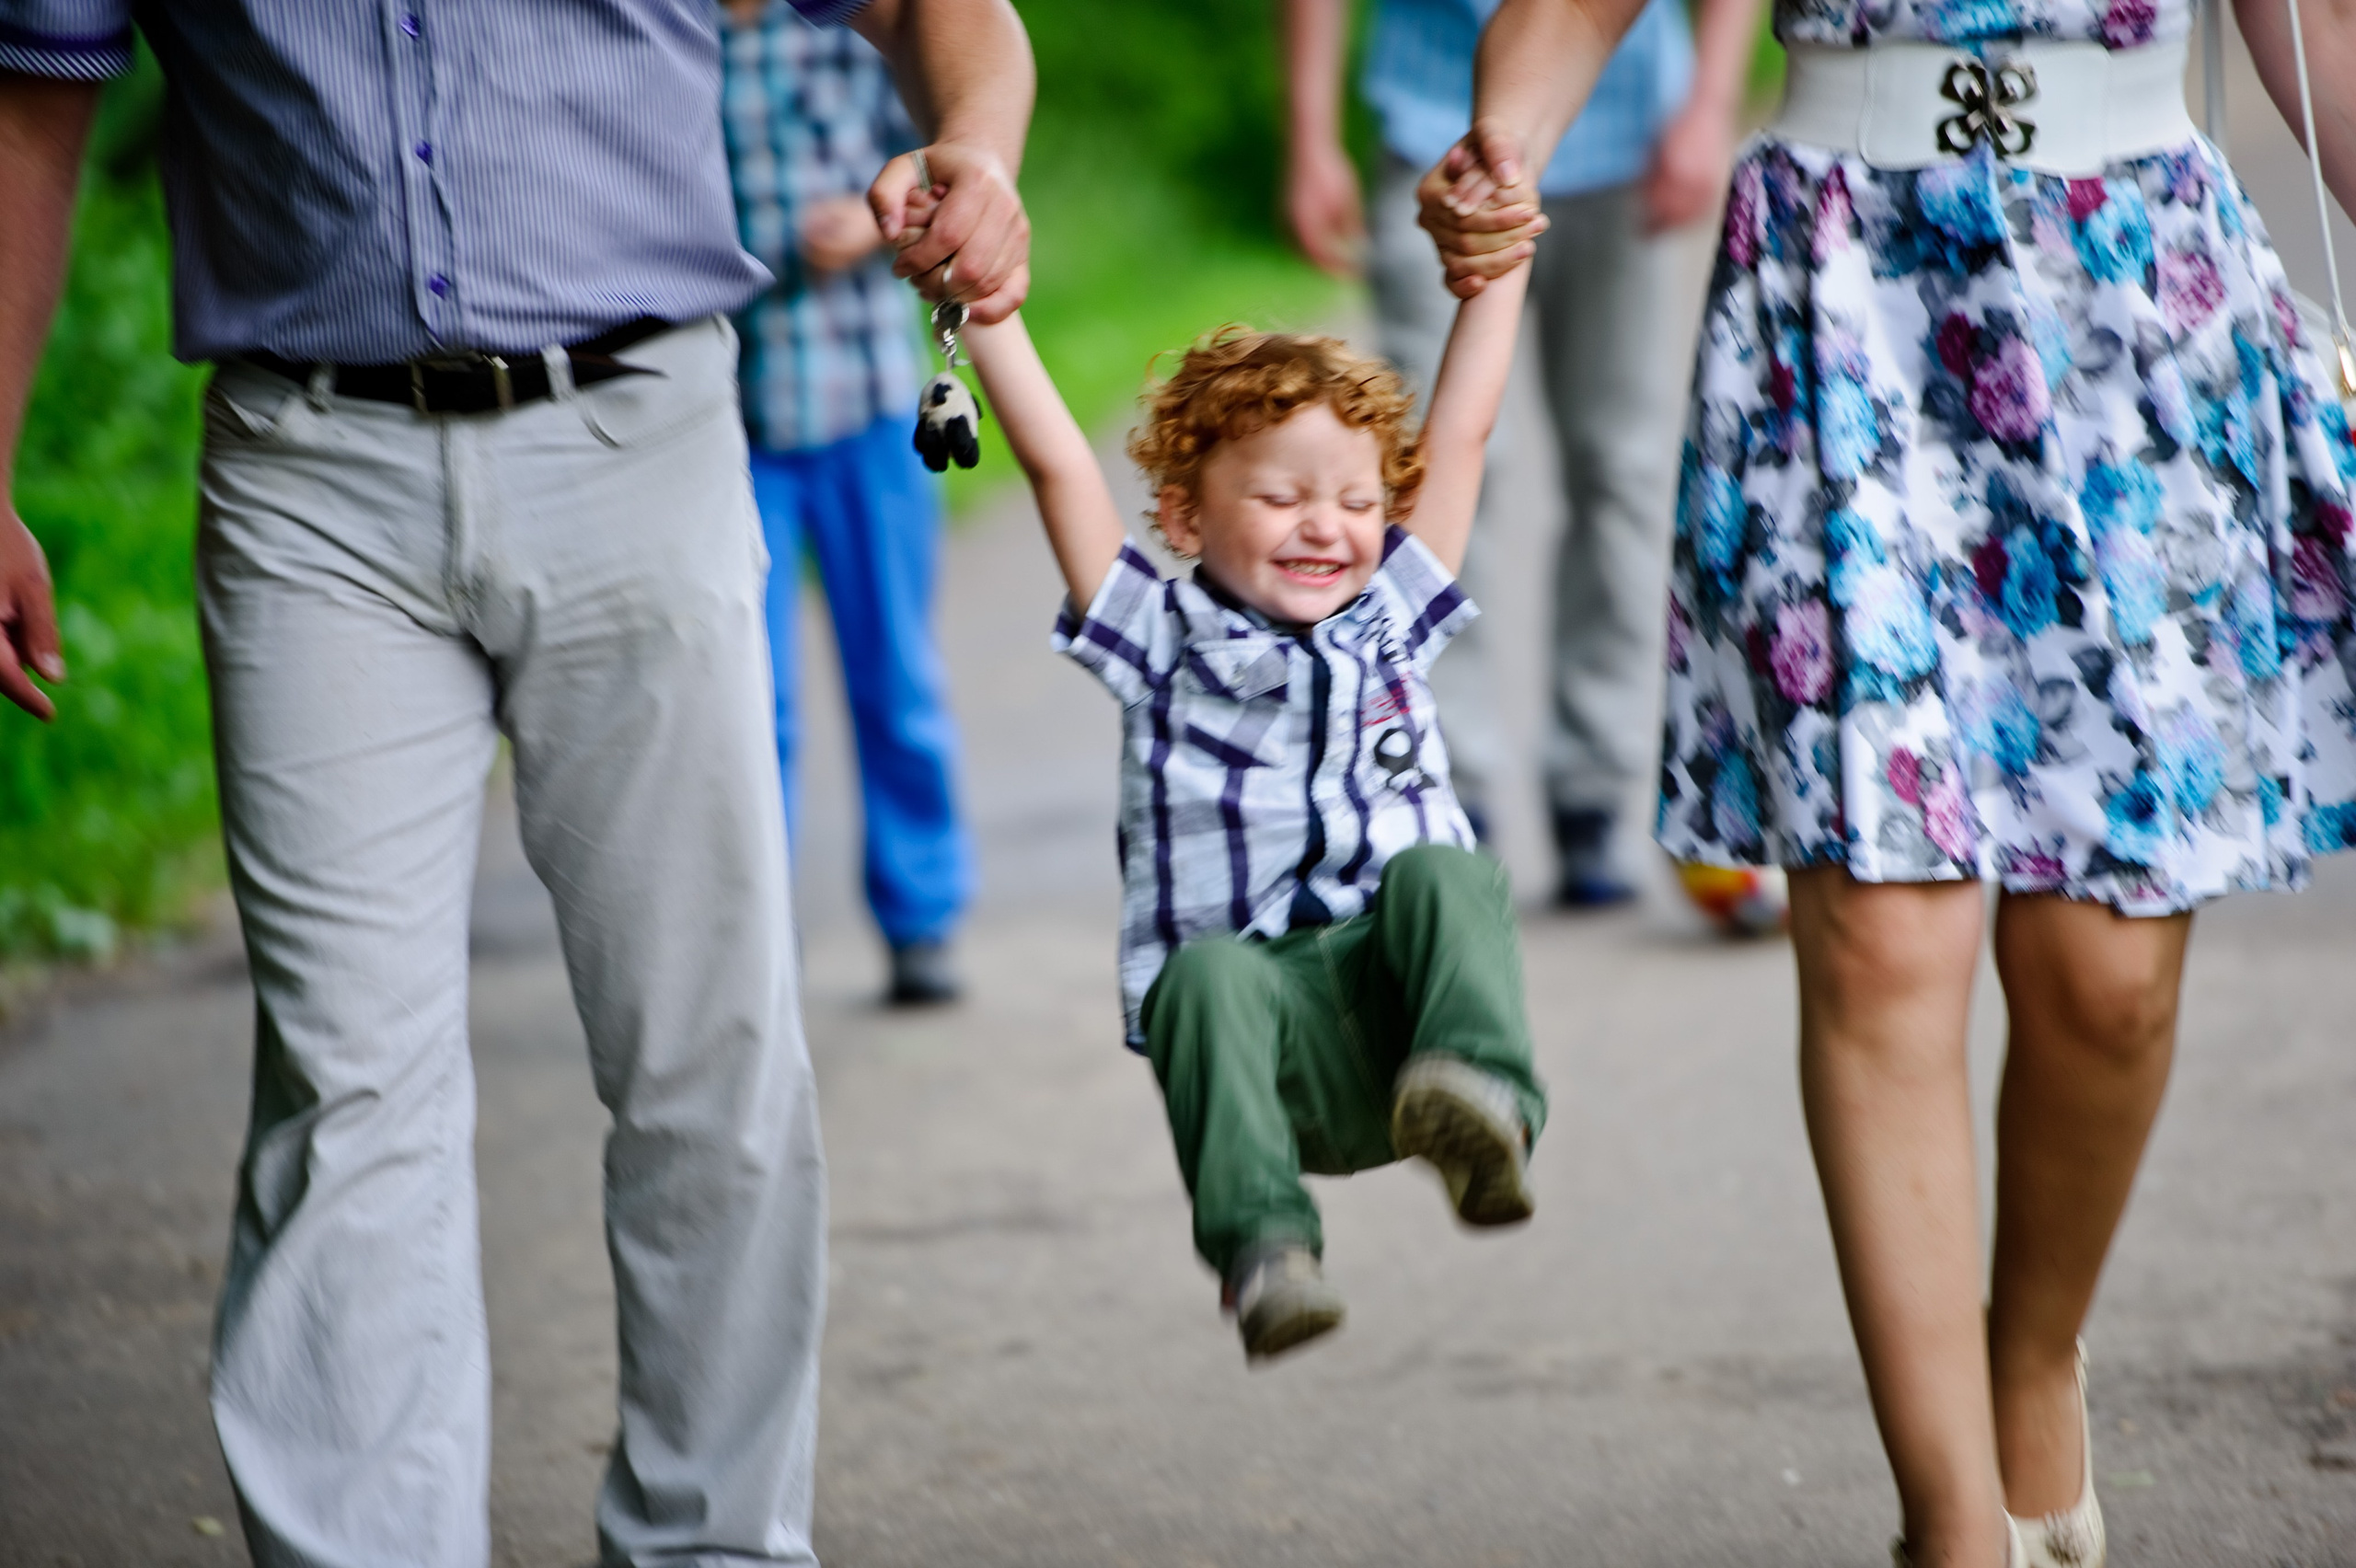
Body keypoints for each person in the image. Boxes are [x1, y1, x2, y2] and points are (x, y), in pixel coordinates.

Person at [0, 1, 1032, 1562]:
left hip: (641, 433)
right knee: (347, 1086)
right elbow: (32, 104)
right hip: (307, 472)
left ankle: (715, 1543)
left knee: (708, 1048)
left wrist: (976, 146)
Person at [1423, 0, 2356, 1562]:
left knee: (2105, 975)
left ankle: (2033, 1348)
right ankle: (1950, 1524)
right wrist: (1505, 141)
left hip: (2135, 298)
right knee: (1880, 928)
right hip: (1842, 293)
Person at [947, 190, 1550, 1361]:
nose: (1324, 525)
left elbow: (1465, 432)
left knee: (1444, 870)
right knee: (1205, 975)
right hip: (1261, 1063)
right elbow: (1058, 469)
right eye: (1279, 497)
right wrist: (985, 313)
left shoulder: (1391, 617)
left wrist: (1501, 264)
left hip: (1400, 1023)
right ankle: (1265, 1252)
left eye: (1358, 500)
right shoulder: (1155, 638)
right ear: (1183, 515)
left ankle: (1485, 1108)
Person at [1280, 0, 1760, 901]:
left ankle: (1594, 781)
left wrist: (1709, 102)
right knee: (1425, 474)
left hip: (1626, 134)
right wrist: (1309, 134)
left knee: (1620, 470)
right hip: (1437, 134)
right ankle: (1444, 784)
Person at [720, 0, 975, 1006]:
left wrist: (871, 231)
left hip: (866, 398)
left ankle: (922, 916)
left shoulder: (845, 20)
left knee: (897, 676)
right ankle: (755, 941)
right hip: (733, 420)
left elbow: (934, 149)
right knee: (751, 701)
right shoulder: (663, 35)